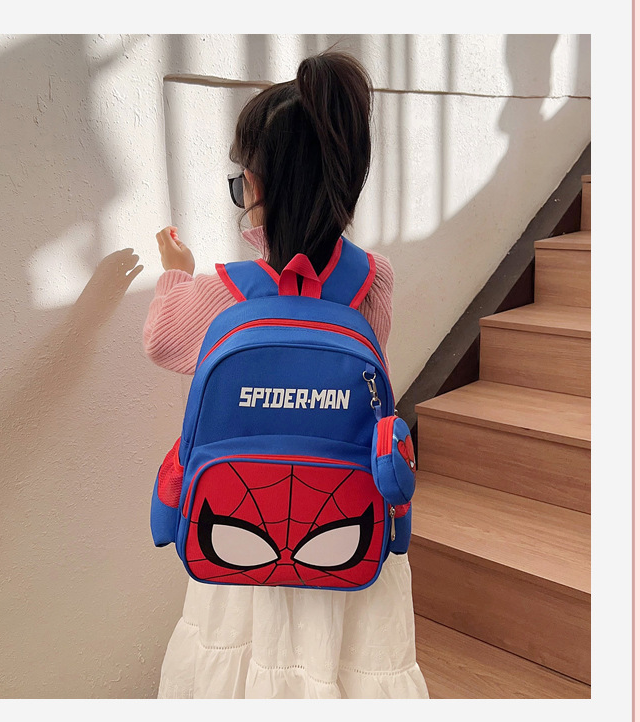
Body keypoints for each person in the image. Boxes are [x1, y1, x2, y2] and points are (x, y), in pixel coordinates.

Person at [143, 50, 429, 700]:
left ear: (256, 188)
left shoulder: (224, 293)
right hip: (347, 523)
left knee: (242, 667)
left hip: (241, 526)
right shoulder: (374, 278)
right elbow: (370, 367)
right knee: (350, 669)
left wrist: (177, 274)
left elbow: (161, 341)